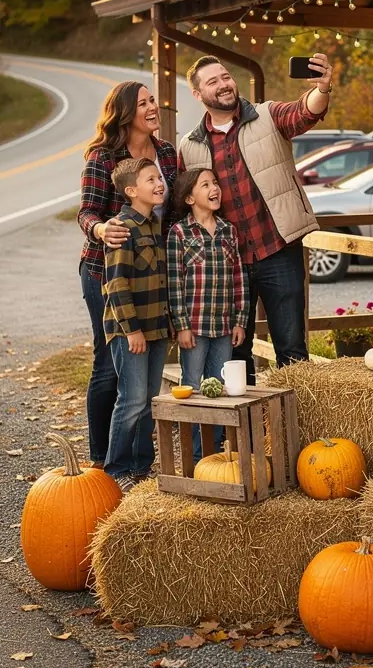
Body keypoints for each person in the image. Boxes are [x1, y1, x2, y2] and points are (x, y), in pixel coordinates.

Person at [179, 54, 332, 381]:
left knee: (292, 349)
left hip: (278, 251)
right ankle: (247, 431)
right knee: (234, 354)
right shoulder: (189, 147)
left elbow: (304, 112)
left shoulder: (267, 115)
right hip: (228, 265)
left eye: (225, 77)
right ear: (197, 94)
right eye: (213, 81)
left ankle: (295, 428)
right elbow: (185, 206)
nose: (223, 85)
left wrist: (322, 88)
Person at [78, 81, 177, 467]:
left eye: (154, 100)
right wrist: (101, 230)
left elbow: (172, 211)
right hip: (106, 265)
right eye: (143, 103)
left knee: (144, 381)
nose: (153, 107)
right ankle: (103, 459)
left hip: (153, 268)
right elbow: (86, 211)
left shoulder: (165, 154)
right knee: (109, 363)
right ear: (124, 112)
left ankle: (138, 460)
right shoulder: (103, 158)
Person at [167, 167, 248, 457]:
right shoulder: (179, 233)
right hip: (195, 328)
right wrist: (182, 325)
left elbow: (239, 277)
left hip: (224, 327)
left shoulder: (228, 231)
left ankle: (212, 455)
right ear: (190, 197)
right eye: (205, 185)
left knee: (220, 391)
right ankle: (193, 456)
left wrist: (240, 321)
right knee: (193, 387)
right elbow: (175, 283)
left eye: (215, 183)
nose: (214, 188)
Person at [102, 157, 170, 491]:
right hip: (130, 331)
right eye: (150, 179)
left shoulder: (155, 224)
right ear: (131, 190)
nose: (159, 183)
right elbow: (116, 285)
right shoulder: (121, 228)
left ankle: (142, 466)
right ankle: (115, 469)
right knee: (131, 400)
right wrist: (132, 331)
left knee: (148, 400)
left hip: (156, 328)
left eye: (159, 177)